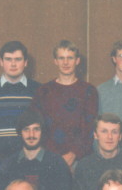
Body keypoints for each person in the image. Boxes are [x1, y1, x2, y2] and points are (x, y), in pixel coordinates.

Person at [37, 40, 99, 168]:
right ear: (55, 61)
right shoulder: (44, 91)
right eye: (61, 58)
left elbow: (89, 127)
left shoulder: (89, 91)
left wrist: (73, 154)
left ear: (77, 61)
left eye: (70, 58)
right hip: (51, 159)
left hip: (81, 159)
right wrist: (57, 158)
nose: (65, 62)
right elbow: (40, 127)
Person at [0, 40, 40, 160]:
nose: (13, 64)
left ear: (26, 62)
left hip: (28, 158)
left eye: (18, 59)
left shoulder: (37, 90)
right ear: (1, 62)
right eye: (8, 59)